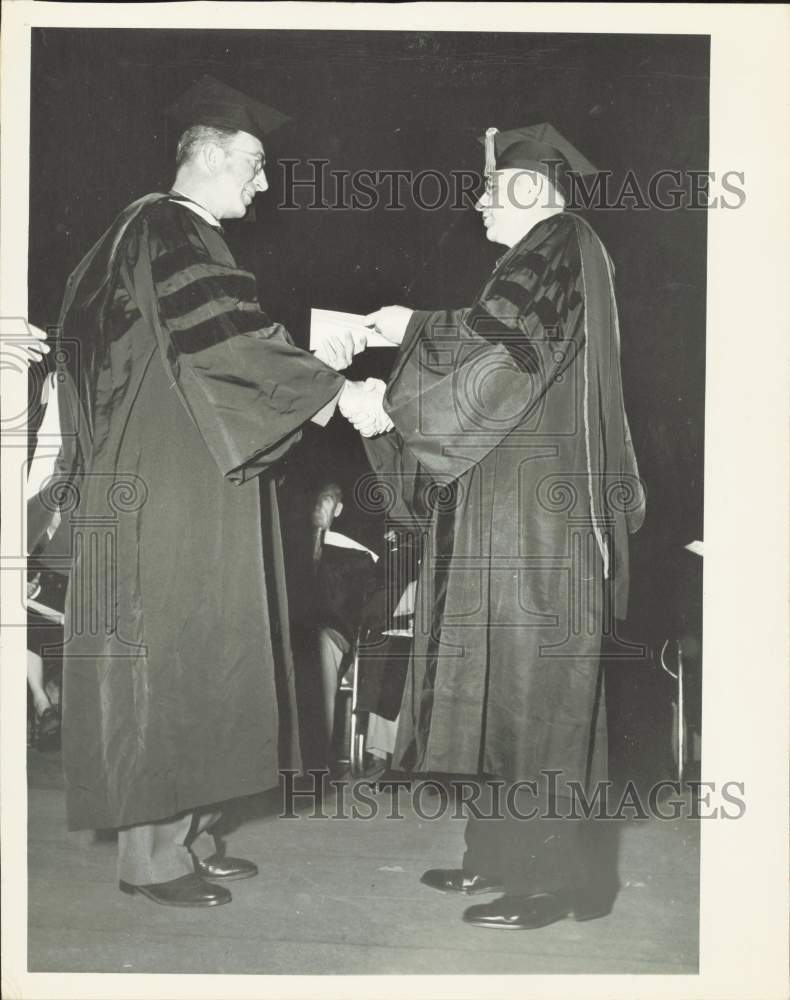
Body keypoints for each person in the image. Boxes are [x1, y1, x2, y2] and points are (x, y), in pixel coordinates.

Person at [38, 75, 389, 909]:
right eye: (256, 166)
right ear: (212, 155)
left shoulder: (149, 231)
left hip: (184, 465)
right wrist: (335, 391)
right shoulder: (168, 225)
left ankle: (188, 836)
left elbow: (191, 340)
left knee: (206, 645)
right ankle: (152, 859)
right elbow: (222, 338)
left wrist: (310, 364)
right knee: (171, 651)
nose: (264, 186)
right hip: (169, 476)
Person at [360, 123, 645, 929]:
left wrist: (409, 329)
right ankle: (497, 856)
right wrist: (412, 326)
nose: (480, 198)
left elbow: (504, 354)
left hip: (541, 514)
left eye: (493, 186)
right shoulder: (548, 251)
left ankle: (555, 883)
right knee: (504, 682)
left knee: (537, 691)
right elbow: (500, 347)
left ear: (534, 189)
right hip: (515, 501)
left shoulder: (559, 242)